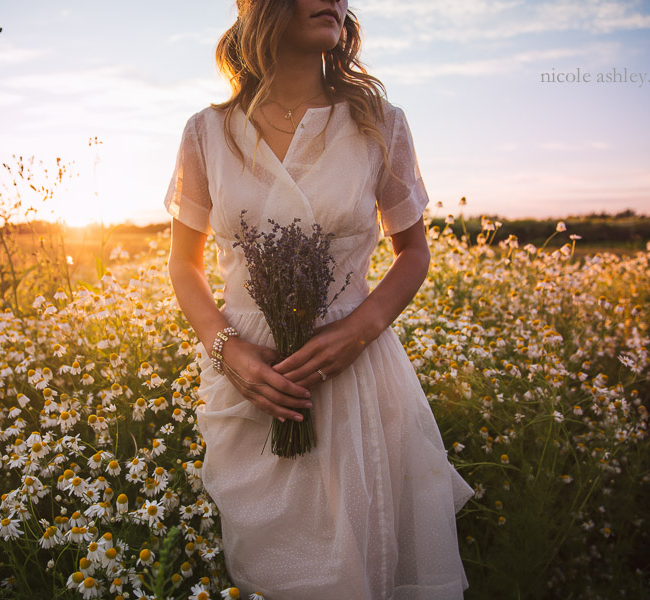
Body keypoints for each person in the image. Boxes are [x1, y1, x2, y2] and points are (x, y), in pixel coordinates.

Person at [165, 1, 474, 598]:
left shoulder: (379, 122)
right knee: (276, 572)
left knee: (362, 563)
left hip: (357, 373)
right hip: (251, 380)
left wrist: (361, 328)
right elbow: (185, 264)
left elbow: (413, 251)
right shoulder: (208, 131)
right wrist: (228, 351)